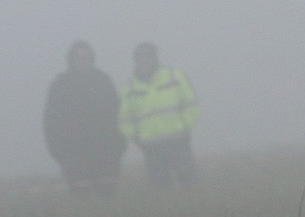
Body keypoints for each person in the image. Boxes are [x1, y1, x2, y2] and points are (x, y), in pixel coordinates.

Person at [43, 40, 126, 197]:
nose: (83, 61)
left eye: (87, 57)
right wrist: (59, 152)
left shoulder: (103, 81)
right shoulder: (60, 85)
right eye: (78, 57)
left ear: (92, 58)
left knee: (108, 202)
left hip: (106, 154)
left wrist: (119, 146)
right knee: (82, 203)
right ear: (71, 59)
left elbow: (120, 114)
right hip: (74, 157)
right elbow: (51, 123)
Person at [118, 42, 200, 187]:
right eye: (140, 57)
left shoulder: (174, 75)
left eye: (148, 56)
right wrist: (136, 137)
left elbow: (191, 104)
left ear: (155, 58)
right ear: (135, 60)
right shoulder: (129, 87)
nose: (144, 60)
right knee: (160, 190)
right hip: (151, 147)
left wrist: (185, 127)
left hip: (179, 142)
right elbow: (124, 119)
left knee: (190, 185)